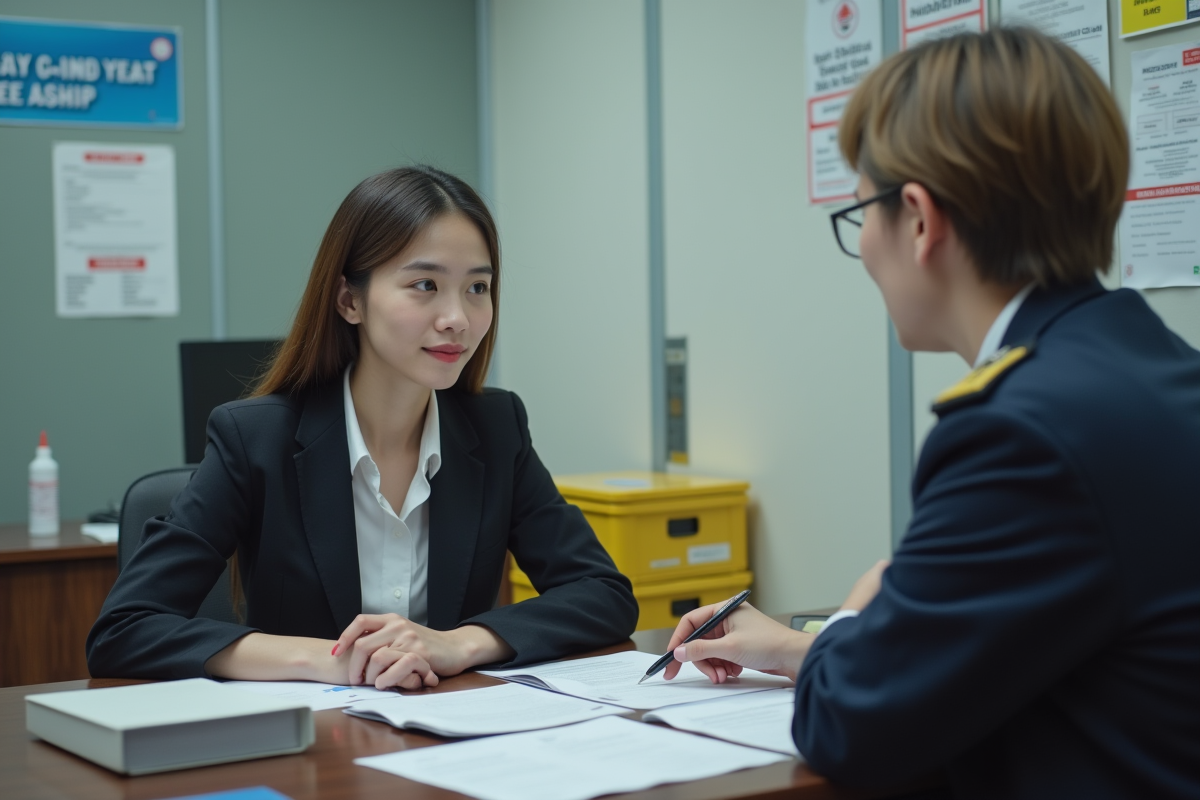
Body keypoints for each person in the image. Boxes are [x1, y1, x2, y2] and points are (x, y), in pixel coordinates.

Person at [663, 28, 1200, 799]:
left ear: (918, 218)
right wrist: (798, 646)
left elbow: (854, 724)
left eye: (861, 217)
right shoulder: (1157, 369)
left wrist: (853, 619)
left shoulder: (1019, 433)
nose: (867, 252)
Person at [88, 166, 638, 690]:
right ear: (350, 299)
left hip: (450, 743)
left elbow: (602, 594)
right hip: (311, 751)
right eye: (425, 284)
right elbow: (125, 629)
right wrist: (330, 660)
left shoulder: (497, 429)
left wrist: (459, 644)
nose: (458, 318)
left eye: (477, 288)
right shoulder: (255, 438)